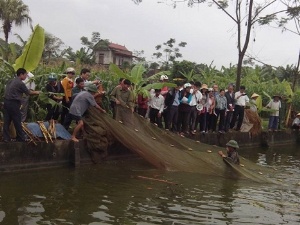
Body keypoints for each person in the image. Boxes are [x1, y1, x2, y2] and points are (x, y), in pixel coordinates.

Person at [3, 68, 40, 142]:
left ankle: (6, 138)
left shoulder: (11, 81)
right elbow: (28, 92)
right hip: (14, 103)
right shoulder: (20, 83)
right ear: (21, 74)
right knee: (17, 120)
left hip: (6, 102)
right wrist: (38, 92)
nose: (26, 76)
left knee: (7, 121)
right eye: (25, 74)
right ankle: (21, 138)